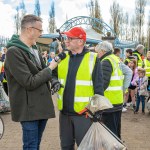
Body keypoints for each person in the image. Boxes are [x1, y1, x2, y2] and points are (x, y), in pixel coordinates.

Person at [4, 14, 60, 150]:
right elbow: (29, 82)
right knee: (31, 146)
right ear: (29, 29)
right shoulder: (13, 52)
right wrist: (51, 67)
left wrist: (53, 80)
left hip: (41, 106)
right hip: (28, 109)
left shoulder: (34, 49)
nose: (41, 33)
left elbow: (45, 72)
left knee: (35, 144)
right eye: (40, 30)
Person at [53, 27, 104, 149]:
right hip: (64, 114)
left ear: (80, 41)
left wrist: (98, 110)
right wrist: (54, 81)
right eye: (66, 38)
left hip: (84, 115)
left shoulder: (93, 58)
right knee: (66, 146)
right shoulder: (63, 57)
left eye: (70, 38)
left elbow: (98, 86)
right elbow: (52, 74)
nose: (66, 41)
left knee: (85, 147)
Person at [95, 41, 132, 138]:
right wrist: (123, 89)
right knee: (115, 131)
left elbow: (102, 84)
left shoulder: (106, 61)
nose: (97, 54)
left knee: (109, 134)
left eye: (98, 52)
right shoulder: (115, 59)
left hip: (108, 103)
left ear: (102, 51)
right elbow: (128, 72)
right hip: (117, 101)